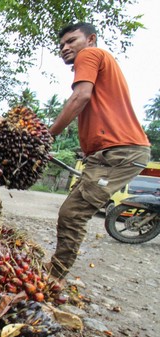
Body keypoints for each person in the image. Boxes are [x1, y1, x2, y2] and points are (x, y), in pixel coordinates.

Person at [47, 22, 150, 281]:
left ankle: (52, 277)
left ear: (91, 39)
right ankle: (54, 272)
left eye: (71, 41)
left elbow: (80, 97)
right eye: (61, 45)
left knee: (72, 213)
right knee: (73, 209)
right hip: (111, 152)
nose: (65, 48)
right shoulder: (100, 61)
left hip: (121, 152)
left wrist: (47, 136)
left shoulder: (90, 54)